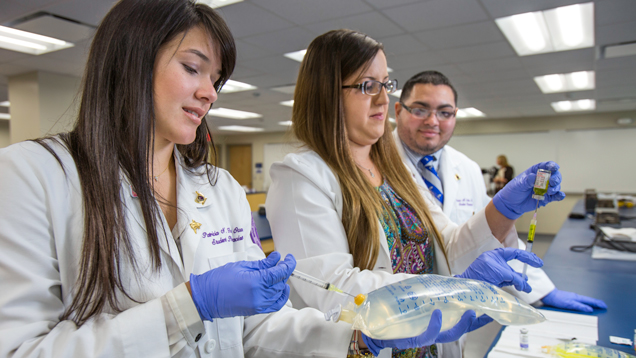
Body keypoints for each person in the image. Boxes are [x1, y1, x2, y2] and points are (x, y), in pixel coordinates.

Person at [0, 3, 482, 357]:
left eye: (217, 79)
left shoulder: (220, 189)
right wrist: (186, 308)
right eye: (193, 68)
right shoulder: (35, 177)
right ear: (131, 60)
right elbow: (21, 350)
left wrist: (356, 337)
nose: (209, 92)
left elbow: (256, 330)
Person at [266, 29, 561, 358]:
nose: (382, 99)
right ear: (327, 94)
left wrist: (503, 209)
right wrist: (448, 292)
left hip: (428, 343)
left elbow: (447, 243)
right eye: (367, 86)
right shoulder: (300, 177)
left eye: (385, 84)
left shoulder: (394, 167)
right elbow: (337, 290)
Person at [393, 70, 607, 312]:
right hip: (399, 307)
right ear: (399, 111)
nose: (432, 121)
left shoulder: (467, 168)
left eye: (444, 112)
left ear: (454, 116)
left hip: (460, 306)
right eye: (420, 110)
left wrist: (543, 290)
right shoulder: (371, 165)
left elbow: (492, 236)